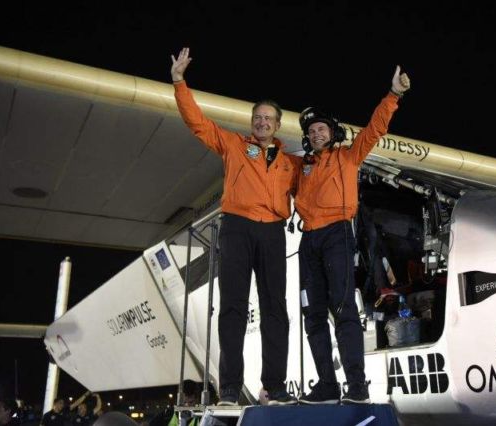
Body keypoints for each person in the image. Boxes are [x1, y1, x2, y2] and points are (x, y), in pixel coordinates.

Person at [170, 47, 298, 406]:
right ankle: (229, 388)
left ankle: (274, 386)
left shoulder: (289, 163)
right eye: (257, 117)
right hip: (238, 229)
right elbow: (198, 123)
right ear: (252, 121)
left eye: (268, 118)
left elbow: (315, 191)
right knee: (232, 308)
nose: (261, 122)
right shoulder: (233, 146)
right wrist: (180, 82)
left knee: (276, 310)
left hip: (272, 232)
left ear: (277, 125)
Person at [295, 66, 411, 404]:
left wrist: (393, 95)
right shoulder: (299, 167)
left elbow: (375, 128)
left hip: (336, 236)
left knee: (344, 310)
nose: (316, 134)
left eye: (321, 128)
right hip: (308, 242)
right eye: (311, 131)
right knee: (313, 315)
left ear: (332, 132)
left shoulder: (348, 157)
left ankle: (357, 387)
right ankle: (328, 386)